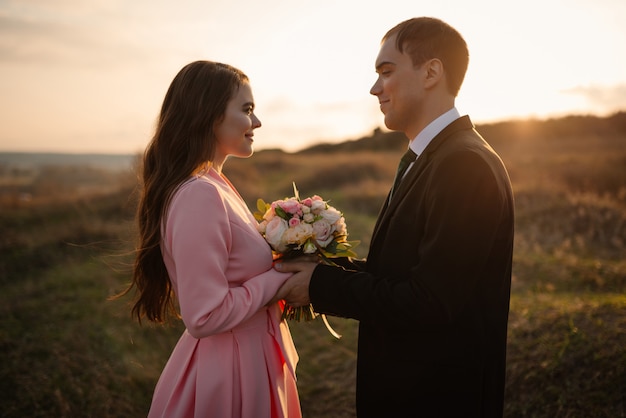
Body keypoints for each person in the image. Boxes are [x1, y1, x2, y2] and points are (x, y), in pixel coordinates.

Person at [274, 17, 515, 417]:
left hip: (438, 398)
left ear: (431, 72)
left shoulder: (464, 165)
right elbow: (408, 275)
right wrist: (326, 267)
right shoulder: (432, 157)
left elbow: (431, 301)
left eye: (386, 72)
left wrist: (320, 287)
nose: (374, 88)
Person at [123, 60, 301, 418]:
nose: (257, 122)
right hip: (230, 373)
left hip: (249, 358)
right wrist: (281, 279)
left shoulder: (216, 184)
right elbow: (204, 315)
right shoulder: (198, 194)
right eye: (247, 109)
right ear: (209, 115)